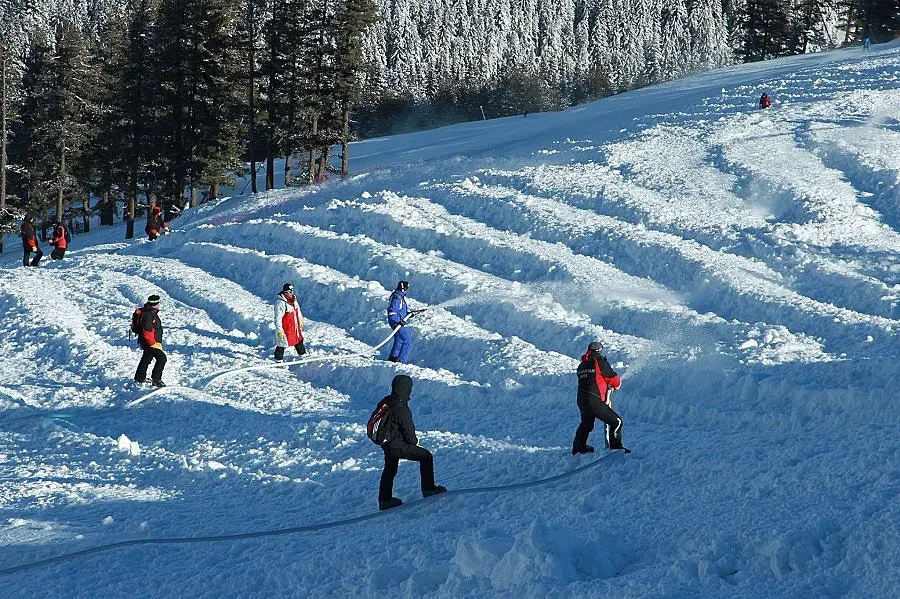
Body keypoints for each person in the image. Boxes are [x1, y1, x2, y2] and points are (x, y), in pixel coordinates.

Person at [377, 375, 446, 510]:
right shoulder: (401, 408)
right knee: (426, 456)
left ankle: (384, 500)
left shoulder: (386, 401)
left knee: (390, 469)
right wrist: (412, 443)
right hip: (396, 444)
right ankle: (429, 489)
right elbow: (410, 437)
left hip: (386, 443)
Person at [572, 341, 628, 454]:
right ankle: (616, 448)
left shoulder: (581, 365)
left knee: (586, 424)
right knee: (616, 422)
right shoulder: (599, 361)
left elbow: (594, 380)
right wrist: (617, 384)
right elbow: (611, 377)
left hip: (582, 401)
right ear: (599, 351)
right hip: (595, 401)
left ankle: (579, 447)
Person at [134, 294, 167, 387]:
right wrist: (153, 344)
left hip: (146, 341)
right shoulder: (149, 314)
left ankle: (139, 378)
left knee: (147, 358)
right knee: (162, 358)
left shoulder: (149, 311)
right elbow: (147, 331)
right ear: (155, 304)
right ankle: (156, 379)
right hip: (149, 342)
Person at [274, 283, 306, 362]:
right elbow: (277, 318)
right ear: (285, 292)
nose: (291, 293)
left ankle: (302, 354)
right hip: (286, 327)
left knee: (298, 339)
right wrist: (279, 330)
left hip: (294, 326)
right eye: (289, 291)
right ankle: (278, 359)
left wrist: (300, 320)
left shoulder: (294, 300)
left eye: (292, 291)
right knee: (282, 343)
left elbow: (298, 311)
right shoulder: (280, 303)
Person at [386, 280, 413, 363]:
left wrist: (408, 314)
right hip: (396, 322)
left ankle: (393, 358)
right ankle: (401, 361)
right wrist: (399, 321)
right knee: (407, 340)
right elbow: (392, 313)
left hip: (396, 321)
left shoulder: (398, 296)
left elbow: (399, 311)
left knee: (399, 339)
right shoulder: (397, 298)